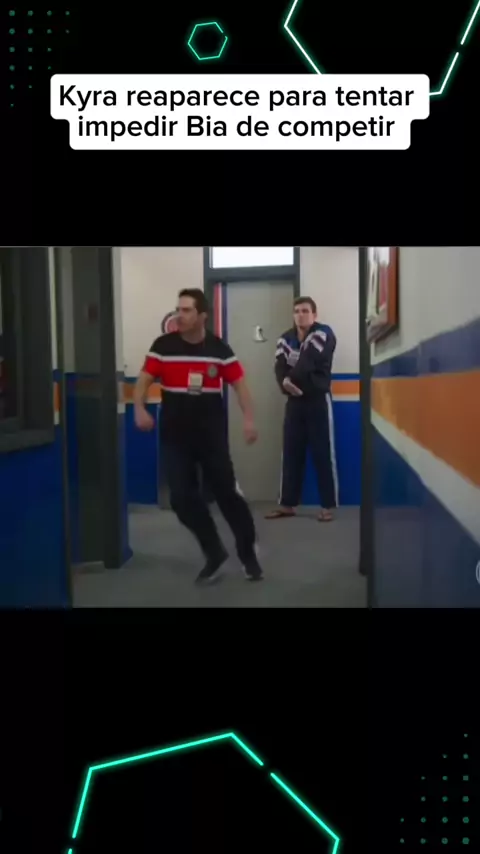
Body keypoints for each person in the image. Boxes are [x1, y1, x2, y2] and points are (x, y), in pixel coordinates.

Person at [133, 288, 264, 583]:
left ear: (202, 316)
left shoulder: (219, 349)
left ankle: (248, 555)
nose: (179, 315)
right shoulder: (163, 346)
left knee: (227, 496)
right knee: (181, 498)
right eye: (178, 309)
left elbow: (240, 386)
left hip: (210, 436)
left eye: (186, 310)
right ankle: (214, 551)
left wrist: (249, 419)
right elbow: (143, 380)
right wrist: (139, 408)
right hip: (175, 437)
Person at [265, 296, 338, 522]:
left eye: (305, 311)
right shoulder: (285, 338)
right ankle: (287, 504)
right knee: (291, 452)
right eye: (297, 311)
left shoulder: (323, 333)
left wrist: (290, 379)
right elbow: (279, 366)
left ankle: (327, 506)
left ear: (314, 314)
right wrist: (284, 384)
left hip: (317, 400)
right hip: (294, 402)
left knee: (322, 453)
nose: (300, 315)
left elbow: (309, 361)